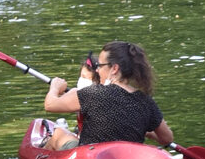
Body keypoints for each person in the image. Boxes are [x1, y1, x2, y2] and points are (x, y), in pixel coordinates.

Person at [43, 41, 174, 151]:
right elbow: (167, 139)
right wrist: (148, 133)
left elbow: (50, 105)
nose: (97, 70)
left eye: (100, 65)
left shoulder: (93, 93)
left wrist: (55, 87)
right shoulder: (146, 101)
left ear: (115, 68)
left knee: (59, 133)